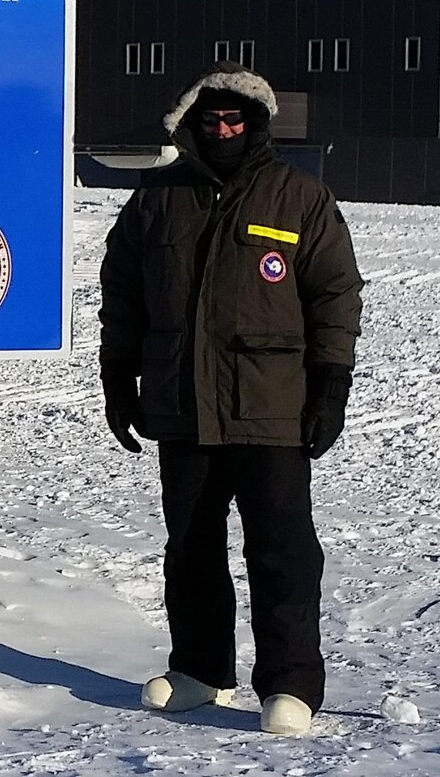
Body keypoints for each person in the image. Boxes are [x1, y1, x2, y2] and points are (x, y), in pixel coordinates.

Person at [98, 61, 363, 737]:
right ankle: (200, 670)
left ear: (256, 124)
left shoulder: (299, 198)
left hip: (270, 406)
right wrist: (117, 374)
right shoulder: (156, 199)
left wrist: (332, 383)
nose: (222, 130)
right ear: (191, 125)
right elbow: (122, 293)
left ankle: (291, 684)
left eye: (234, 119)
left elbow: (335, 296)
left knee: (282, 548)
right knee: (190, 545)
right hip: (181, 404)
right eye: (210, 120)